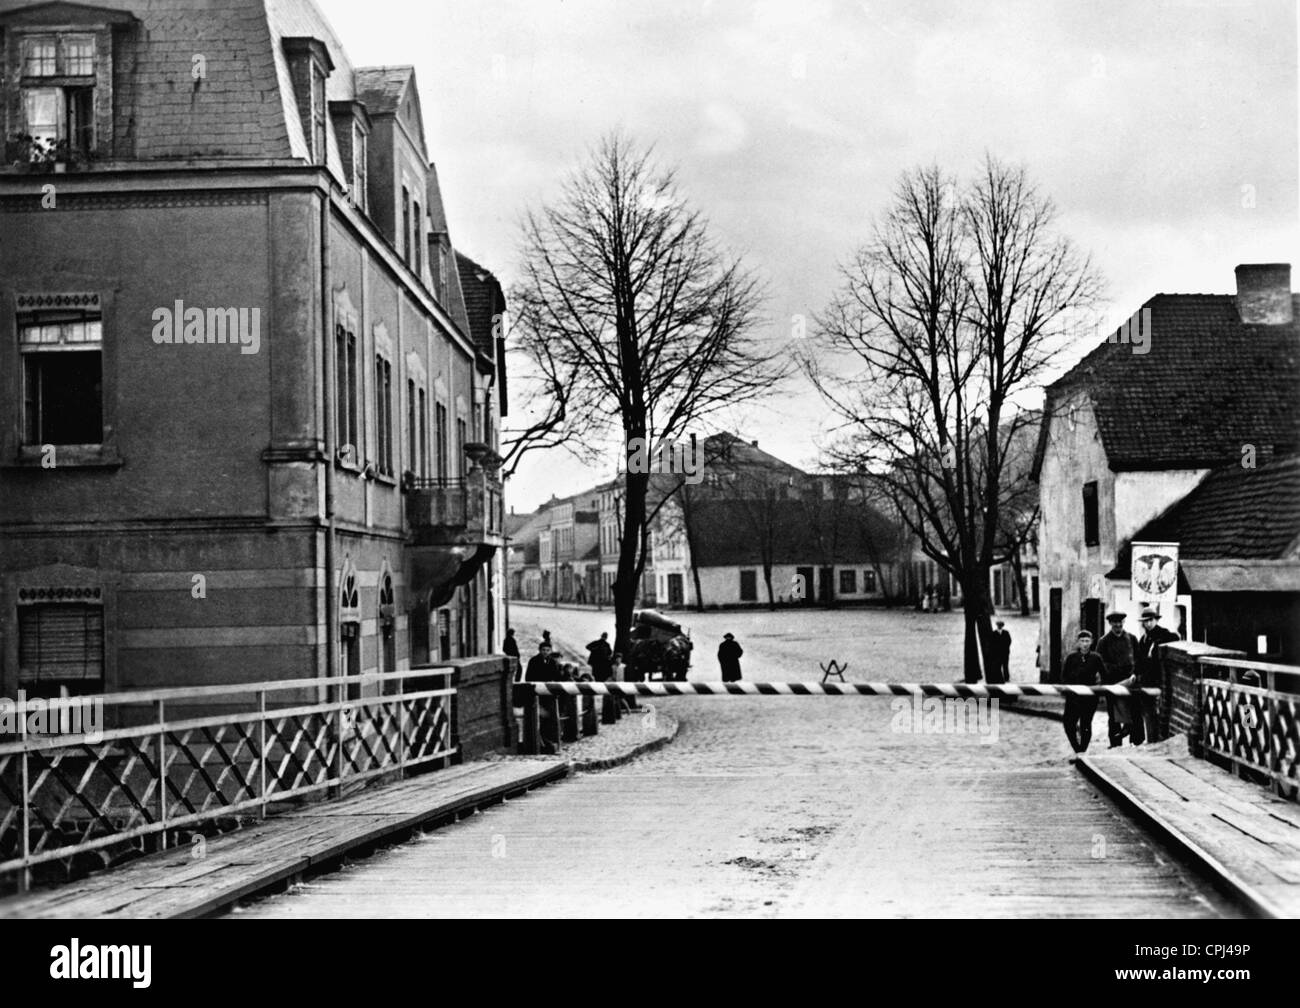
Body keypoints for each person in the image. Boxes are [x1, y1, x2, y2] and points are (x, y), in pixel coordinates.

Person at [1127, 608, 1179, 745]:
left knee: (1157, 712)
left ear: (1156, 620)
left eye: (1150, 620)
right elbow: (1139, 660)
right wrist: (1135, 673)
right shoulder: (1143, 639)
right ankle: (1146, 740)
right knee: (1145, 711)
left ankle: (1155, 741)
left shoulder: (1163, 635)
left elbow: (1175, 638)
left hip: (1159, 680)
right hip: (1145, 681)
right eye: (1145, 621)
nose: (1148, 624)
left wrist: (1158, 644)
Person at [1096, 612, 1139, 748]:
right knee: (1114, 716)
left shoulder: (1131, 639)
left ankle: (1135, 742)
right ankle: (1115, 743)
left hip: (1130, 682)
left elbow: (1138, 660)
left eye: (1120, 622)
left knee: (1132, 713)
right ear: (1110, 624)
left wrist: (1134, 673)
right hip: (1112, 683)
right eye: (1115, 623)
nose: (1118, 625)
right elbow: (1101, 664)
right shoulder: (1103, 642)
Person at [1061, 630, 1106, 754]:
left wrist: (1100, 691)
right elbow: (1064, 677)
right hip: (1073, 698)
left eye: (1087, 641)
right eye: (1082, 641)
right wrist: (1067, 691)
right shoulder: (1071, 658)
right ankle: (1077, 748)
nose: (1085, 644)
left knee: (1086, 724)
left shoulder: (1096, 658)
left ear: (1091, 642)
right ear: (1078, 642)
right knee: (1069, 724)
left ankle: (1082, 751)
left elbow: (1104, 675)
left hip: (1089, 698)